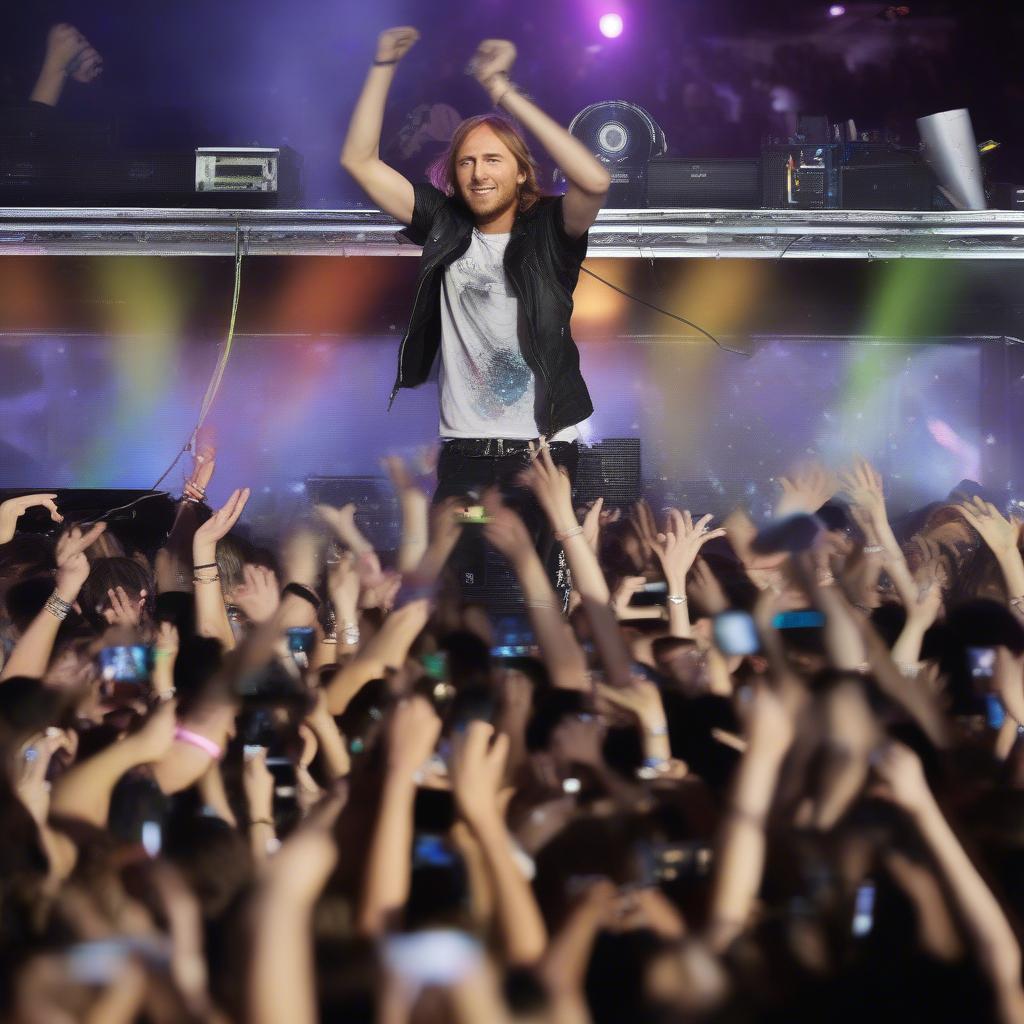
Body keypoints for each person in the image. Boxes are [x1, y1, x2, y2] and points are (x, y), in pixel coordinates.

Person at [340, 27, 610, 606]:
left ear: (521, 172)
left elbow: (595, 178)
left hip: (543, 452)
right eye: (466, 162)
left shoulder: (552, 231)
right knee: (451, 601)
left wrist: (501, 91)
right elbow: (358, 162)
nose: (479, 172)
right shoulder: (443, 223)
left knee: (545, 602)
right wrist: (383, 62)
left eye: (493, 160)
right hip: (464, 455)